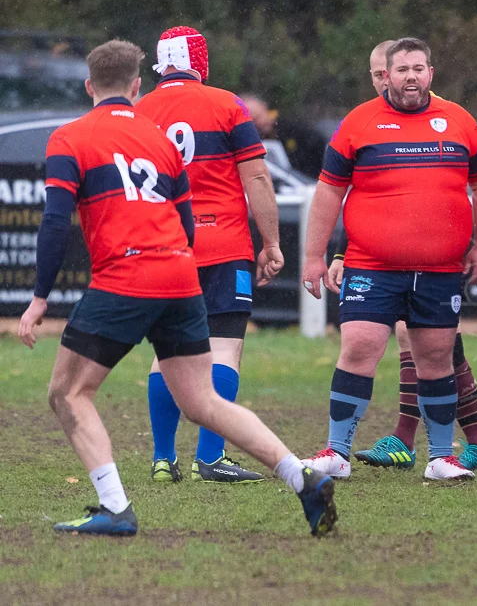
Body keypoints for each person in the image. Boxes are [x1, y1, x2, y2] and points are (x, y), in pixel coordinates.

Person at [17, 39, 335, 536]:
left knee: (68, 393)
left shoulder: (69, 137)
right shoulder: (160, 142)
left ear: (88, 86)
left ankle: (116, 508)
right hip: (181, 272)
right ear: (135, 84)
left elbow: (56, 223)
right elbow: (184, 221)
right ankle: (303, 477)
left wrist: (39, 299)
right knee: (203, 400)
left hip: (125, 275)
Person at [299, 37, 477, 482]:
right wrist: (315, 255)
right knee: (359, 346)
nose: (411, 76)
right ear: (385, 76)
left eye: (419, 67)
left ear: (431, 73)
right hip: (372, 265)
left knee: (435, 357)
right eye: (402, 69)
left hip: (439, 269)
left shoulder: (459, 121)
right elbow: (330, 189)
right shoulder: (359, 122)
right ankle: (336, 452)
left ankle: (441, 458)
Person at [131, 26, 284, 485]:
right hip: (222, 245)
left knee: (166, 354)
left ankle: (162, 459)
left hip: (162, 247)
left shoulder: (139, 111)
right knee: (223, 350)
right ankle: (211, 458)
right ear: (201, 60)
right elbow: (256, 178)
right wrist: (272, 242)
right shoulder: (226, 104)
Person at [239, 93, 326, 178]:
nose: (259, 123)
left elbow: (320, 147)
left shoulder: (293, 129)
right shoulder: (249, 140)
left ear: (264, 107)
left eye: (259, 117)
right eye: (253, 121)